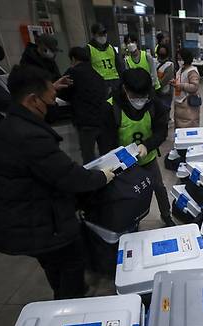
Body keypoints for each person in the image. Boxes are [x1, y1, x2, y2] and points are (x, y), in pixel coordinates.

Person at [0, 64, 115, 300]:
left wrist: (50, 88)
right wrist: (103, 175)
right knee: (71, 264)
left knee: (55, 266)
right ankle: (67, 310)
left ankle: (64, 293)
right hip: (36, 223)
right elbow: (69, 176)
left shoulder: (12, 124)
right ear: (33, 100)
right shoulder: (29, 136)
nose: (54, 104)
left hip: (23, 217)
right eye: (51, 98)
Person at [102, 68, 175, 227]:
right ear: (125, 89)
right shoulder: (111, 108)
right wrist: (123, 159)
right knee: (130, 193)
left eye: (144, 96)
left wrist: (147, 145)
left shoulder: (153, 103)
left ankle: (166, 215)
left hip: (147, 157)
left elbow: (161, 130)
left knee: (159, 187)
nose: (140, 101)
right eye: (136, 97)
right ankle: (133, 222)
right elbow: (106, 142)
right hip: (122, 162)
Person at [57, 47, 111, 164]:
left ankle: (93, 180)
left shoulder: (72, 73)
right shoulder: (97, 74)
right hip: (102, 120)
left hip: (86, 122)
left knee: (89, 158)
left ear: (73, 59)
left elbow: (61, 92)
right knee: (106, 155)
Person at [87, 23, 122, 96]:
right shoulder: (89, 49)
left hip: (115, 82)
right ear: (94, 35)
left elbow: (119, 66)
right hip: (100, 83)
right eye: (100, 33)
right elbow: (87, 69)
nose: (103, 35)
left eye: (104, 32)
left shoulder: (111, 47)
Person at [171, 48, 201, 128]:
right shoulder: (181, 69)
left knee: (189, 124)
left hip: (188, 102)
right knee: (179, 124)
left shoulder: (192, 71)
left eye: (180, 58)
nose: (179, 61)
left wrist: (180, 85)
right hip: (179, 101)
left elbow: (194, 86)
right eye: (178, 59)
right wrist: (175, 82)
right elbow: (181, 80)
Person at [155, 44, 175, 111]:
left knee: (164, 110)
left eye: (163, 52)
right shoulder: (154, 62)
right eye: (160, 52)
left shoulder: (169, 64)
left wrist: (156, 87)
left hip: (165, 92)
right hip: (156, 92)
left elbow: (165, 80)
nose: (161, 54)